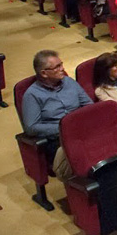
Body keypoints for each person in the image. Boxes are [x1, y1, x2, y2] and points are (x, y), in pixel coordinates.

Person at [21, 51, 92, 182]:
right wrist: (63, 128)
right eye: (57, 67)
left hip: (82, 130)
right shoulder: (32, 95)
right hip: (56, 140)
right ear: (43, 73)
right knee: (88, 155)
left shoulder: (69, 82)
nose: (62, 69)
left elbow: (88, 104)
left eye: (61, 64)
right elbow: (31, 127)